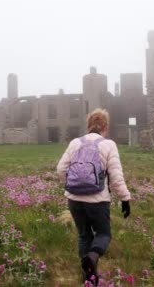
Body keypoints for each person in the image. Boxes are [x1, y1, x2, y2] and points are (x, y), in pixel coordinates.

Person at [56, 108, 131, 285]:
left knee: (84, 236)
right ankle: (92, 256)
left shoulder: (75, 143)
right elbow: (116, 176)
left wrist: (72, 185)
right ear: (105, 126)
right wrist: (125, 198)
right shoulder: (108, 145)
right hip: (98, 200)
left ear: (89, 125)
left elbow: (60, 169)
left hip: (74, 200)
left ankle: (89, 277)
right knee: (104, 234)